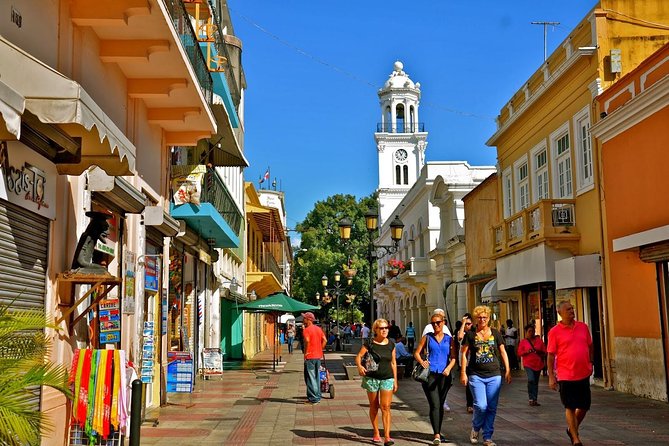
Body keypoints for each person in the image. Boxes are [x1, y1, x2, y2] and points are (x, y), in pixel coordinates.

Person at [460, 305, 511, 446]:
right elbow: (464, 354)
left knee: (491, 407)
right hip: (476, 374)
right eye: (479, 317)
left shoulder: (495, 333)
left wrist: (507, 369)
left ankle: (487, 436)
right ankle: (476, 428)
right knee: (481, 405)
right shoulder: (470, 334)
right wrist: (463, 372)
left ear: (489, 319)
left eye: (485, 317)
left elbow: (502, 352)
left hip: (494, 374)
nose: (482, 320)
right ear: (476, 319)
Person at [547, 301, 594, 446]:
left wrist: (591, 362)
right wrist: (551, 376)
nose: (571, 311)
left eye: (572, 308)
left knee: (585, 406)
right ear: (560, 312)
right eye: (568, 309)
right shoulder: (554, 332)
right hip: (566, 375)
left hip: (583, 373)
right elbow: (550, 355)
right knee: (570, 406)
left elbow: (590, 345)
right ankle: (575, 438)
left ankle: (571, 428)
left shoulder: (583, 327)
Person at [414, 310, 457, 445]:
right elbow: (416, 353)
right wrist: (422, 361)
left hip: (445, 375)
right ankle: (437, 435)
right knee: (435, 404)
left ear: (443, 323)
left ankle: (438, 431)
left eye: (438, 323)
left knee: (440, 405)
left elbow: (454, 357)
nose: (435, 325)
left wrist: (449, 368)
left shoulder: (449, 339)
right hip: (430, 375)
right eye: (433, 323)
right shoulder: (427, 337)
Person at [355, 319, 397, 446]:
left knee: (386, 407)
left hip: (387, 378)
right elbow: (358, 357)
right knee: (374, 406)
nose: (384, 330)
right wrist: (359, 366)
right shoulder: (369, 343)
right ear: (376, 330)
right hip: (372, 378)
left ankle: (387, 436)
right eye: (381, 328)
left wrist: (395, 380)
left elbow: (393, 363)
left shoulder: (391, 344)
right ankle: (376, 432)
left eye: (386, 328)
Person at [517, 323, 546, 406]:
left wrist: (538, 351)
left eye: (532, 331)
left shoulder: (539, 341)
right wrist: (527, 351)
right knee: (531, 379)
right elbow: (519, 353)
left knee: (536, 382)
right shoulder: (523, 342)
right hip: (528, 364)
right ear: (526, 332)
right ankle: (530, 398)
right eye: (529, 331)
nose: (531, 333)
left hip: (538, 364)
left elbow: (545, 351)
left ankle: (534, 399)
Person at [301, 312, 327, 405]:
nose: (302, 319)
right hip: (318, 356)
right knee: (316, 376)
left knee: (310, 377)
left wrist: (306, 352)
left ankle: (313, 399)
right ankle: (317, 396)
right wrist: (320, 348)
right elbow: (325, 340)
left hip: (310, 356)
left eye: (304, 318)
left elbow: (307, 341)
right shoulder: (318, 329)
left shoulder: (306, 330)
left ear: (308, 320)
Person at [456, 314, 474, 413]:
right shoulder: (461, 332)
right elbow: (460, 337)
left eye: (469, 324)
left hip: (475, 361)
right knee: (469, 384)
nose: (468, 326)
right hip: (465, 362)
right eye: (466, 324)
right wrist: (463, 323)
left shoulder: (475, 333)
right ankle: (469, 404)